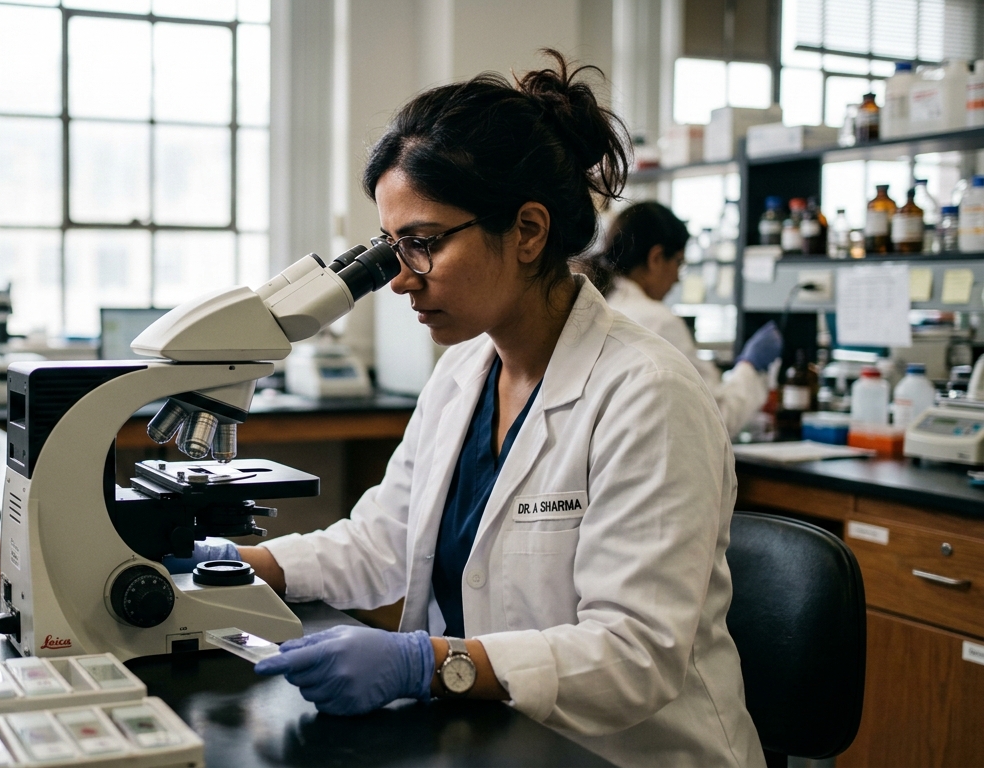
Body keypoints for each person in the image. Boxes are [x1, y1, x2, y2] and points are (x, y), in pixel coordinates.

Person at [169, 52, 763, 767]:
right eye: (392, 250)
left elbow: (634, 653)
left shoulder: (649, 395)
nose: (399, 281)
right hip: (496, 743)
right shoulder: (463, 373)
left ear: (529, 231)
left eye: (421, 245)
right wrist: (240, 563)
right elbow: (382, 543)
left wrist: (431, 662)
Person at [592, 201, 782, 435]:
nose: (678, 279)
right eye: (678, 263)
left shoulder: (601, 305)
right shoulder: (658, 322)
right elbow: (716, 416)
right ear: (656, 258)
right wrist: (750, 366)